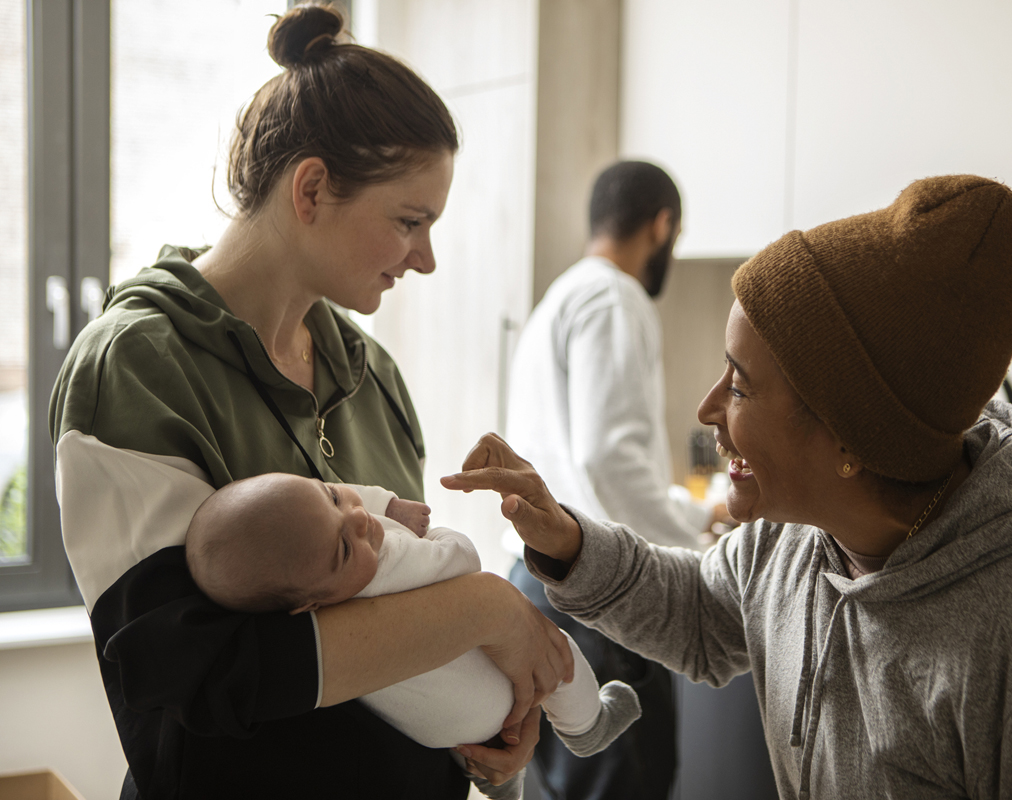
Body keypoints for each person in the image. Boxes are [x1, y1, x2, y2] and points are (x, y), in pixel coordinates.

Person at [446, 175, 1012, 798]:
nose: (708, 410)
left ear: (849, 438)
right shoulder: (794, 541)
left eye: (739, 385)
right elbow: (703, 611)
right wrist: (568, 541)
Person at [49, 6, 571, 798]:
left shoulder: (373, 377)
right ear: (314, 188)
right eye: (409, 222)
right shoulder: (137, 366)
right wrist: (487, 612)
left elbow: (401, 619)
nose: (424, 260)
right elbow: (199, 674)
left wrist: (492, 723)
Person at [182, 471, 641, 800]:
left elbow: (336, 504)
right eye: (345, 547)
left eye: (333, 496)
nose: (360, 521)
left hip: (441, 732)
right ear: (308, 603)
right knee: (560, 651)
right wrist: (439, 534)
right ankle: (588, 725)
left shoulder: (311, 588)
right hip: (475, 701)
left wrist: (382, 504)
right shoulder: (387, 566)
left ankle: (496, 776)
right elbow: (462, 562)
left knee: (477, 724)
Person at [504, 160, 728, 799]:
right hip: (595, 594)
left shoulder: (562, 297)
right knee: (623, 784)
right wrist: (693, 541)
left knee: (576, 785)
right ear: (662, 226)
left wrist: (688, 517)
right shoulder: (615, 297)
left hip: (541, 578)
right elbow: (609, 457)